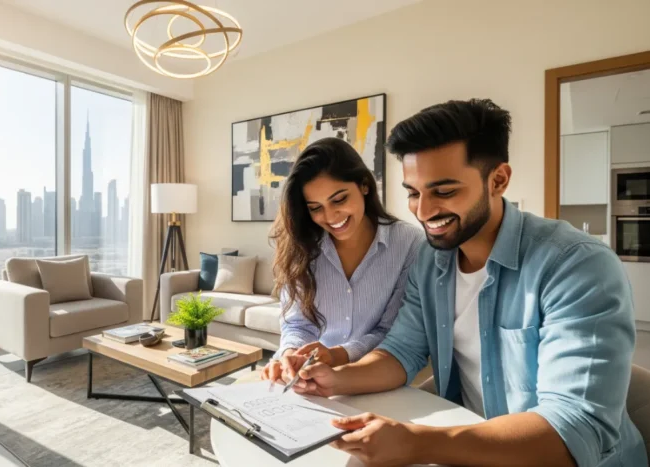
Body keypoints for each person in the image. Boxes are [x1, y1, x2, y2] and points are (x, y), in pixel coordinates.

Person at [289, 99, 647, 466]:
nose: (424, 212)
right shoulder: (431, 260)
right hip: (471, 448)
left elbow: (575, 429)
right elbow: (402, 351)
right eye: (413, 193)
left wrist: (418, 443)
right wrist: (336, 380)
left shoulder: (577, 266)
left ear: (498, 180)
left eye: (443, 192)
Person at [260, 137, 423, 383]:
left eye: (339, 200)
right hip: (311, 379)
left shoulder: (409, 243)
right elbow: (297, 325)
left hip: (377, 378)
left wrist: (339, 356)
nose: (330, 216)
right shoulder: (302, 247)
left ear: (364, 186)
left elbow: (394, 333)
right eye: (315, 208)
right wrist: (291, 354)